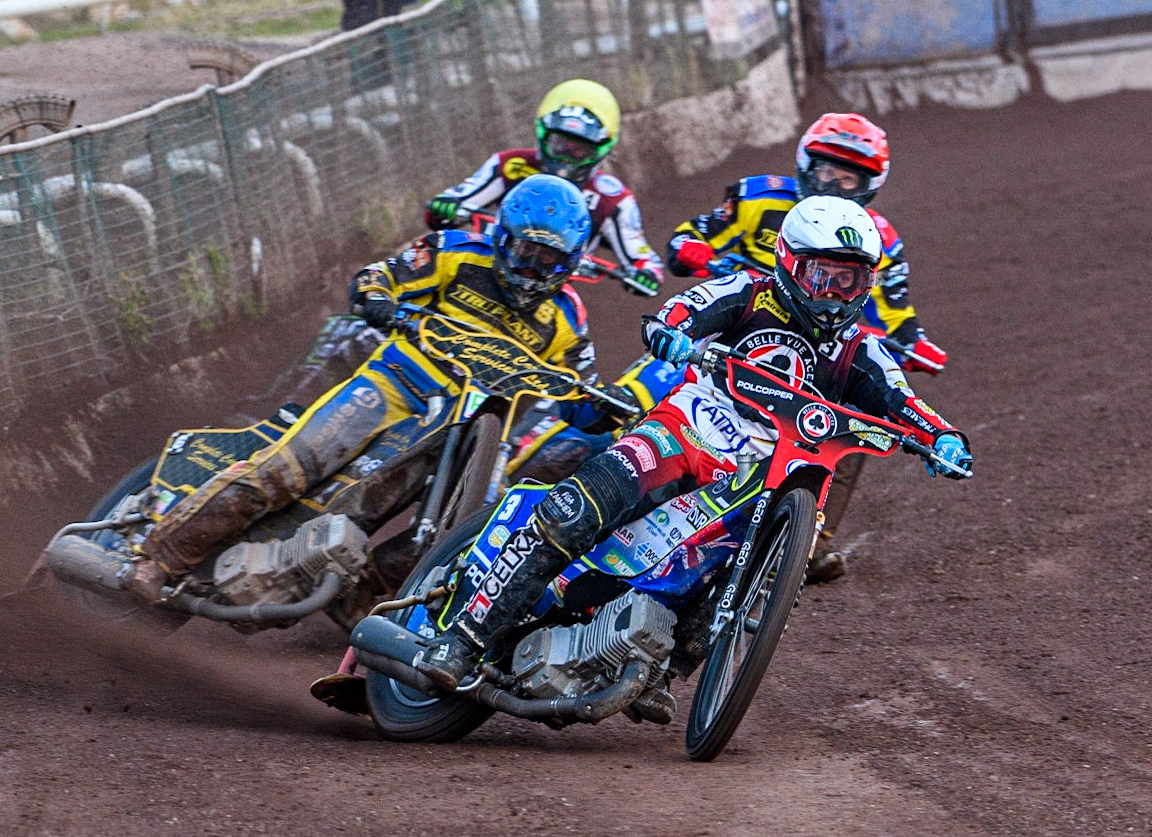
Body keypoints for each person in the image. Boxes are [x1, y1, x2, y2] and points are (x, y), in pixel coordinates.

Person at [415, 196, 973, 694]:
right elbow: (681, 309)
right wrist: (668, 330)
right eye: (822, 276)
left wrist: (940, 436)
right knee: (580, 508)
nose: (833, 295)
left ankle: (656, 663)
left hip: (755, 477)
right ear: (789, 263)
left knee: (739, 582)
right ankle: (460, 639)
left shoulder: (863, 349)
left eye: (849, 282)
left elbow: (903, 401)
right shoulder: (746, 290)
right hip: (686, 431)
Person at [125, 175, 603, 605]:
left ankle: (363, 615)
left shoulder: (567, 317)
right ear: (502, 238)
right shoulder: (455, 252)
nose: (532, 269)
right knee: (288, 471)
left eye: (548, 260)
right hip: (390, 388)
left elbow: (582, 387)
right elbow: (381, 275)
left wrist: (600, 412)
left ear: (572, 260)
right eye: (524, 253)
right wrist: (378, 298)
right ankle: (161, 557)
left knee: (408, 526)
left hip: (456, 432)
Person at [667, 112, 948, 581]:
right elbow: (690, 235)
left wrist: (913, 341)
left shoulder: (878, 239)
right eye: (825, 173)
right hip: (730, 320)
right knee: (658, 366)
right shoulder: (756, 195)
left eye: (848, 178)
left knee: (855, 424)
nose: (834, 186)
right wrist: (697, 252)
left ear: (869, 186)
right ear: (804, 166)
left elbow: (895, 308)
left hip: (812, 346)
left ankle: (807, 541)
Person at [425, 78, 665, 298]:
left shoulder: (612, 199)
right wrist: (445, 207)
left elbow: (642, 257)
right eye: (560, 145)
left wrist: (646, 273)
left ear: (600, 151)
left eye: (579, 151)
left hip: (549, 291)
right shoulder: (511, 164)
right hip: (486, 269)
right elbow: (452, 203)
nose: (566, 159)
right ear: (544, 137)